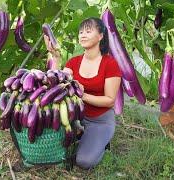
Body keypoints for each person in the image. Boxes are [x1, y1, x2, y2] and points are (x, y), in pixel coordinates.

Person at [44, 17, 122, 170]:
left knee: (83, 161)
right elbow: (58, 83)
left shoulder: (110, 64)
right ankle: (81, 135)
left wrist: (81, 94)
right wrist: (56, 57)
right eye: (80, 32)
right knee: (54, 150)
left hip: (100, 121)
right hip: (75, 117)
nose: (82, 35)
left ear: (100, 36)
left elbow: (110, 101)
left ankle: (102, 145)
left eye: (88, 31)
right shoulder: (74, 62)